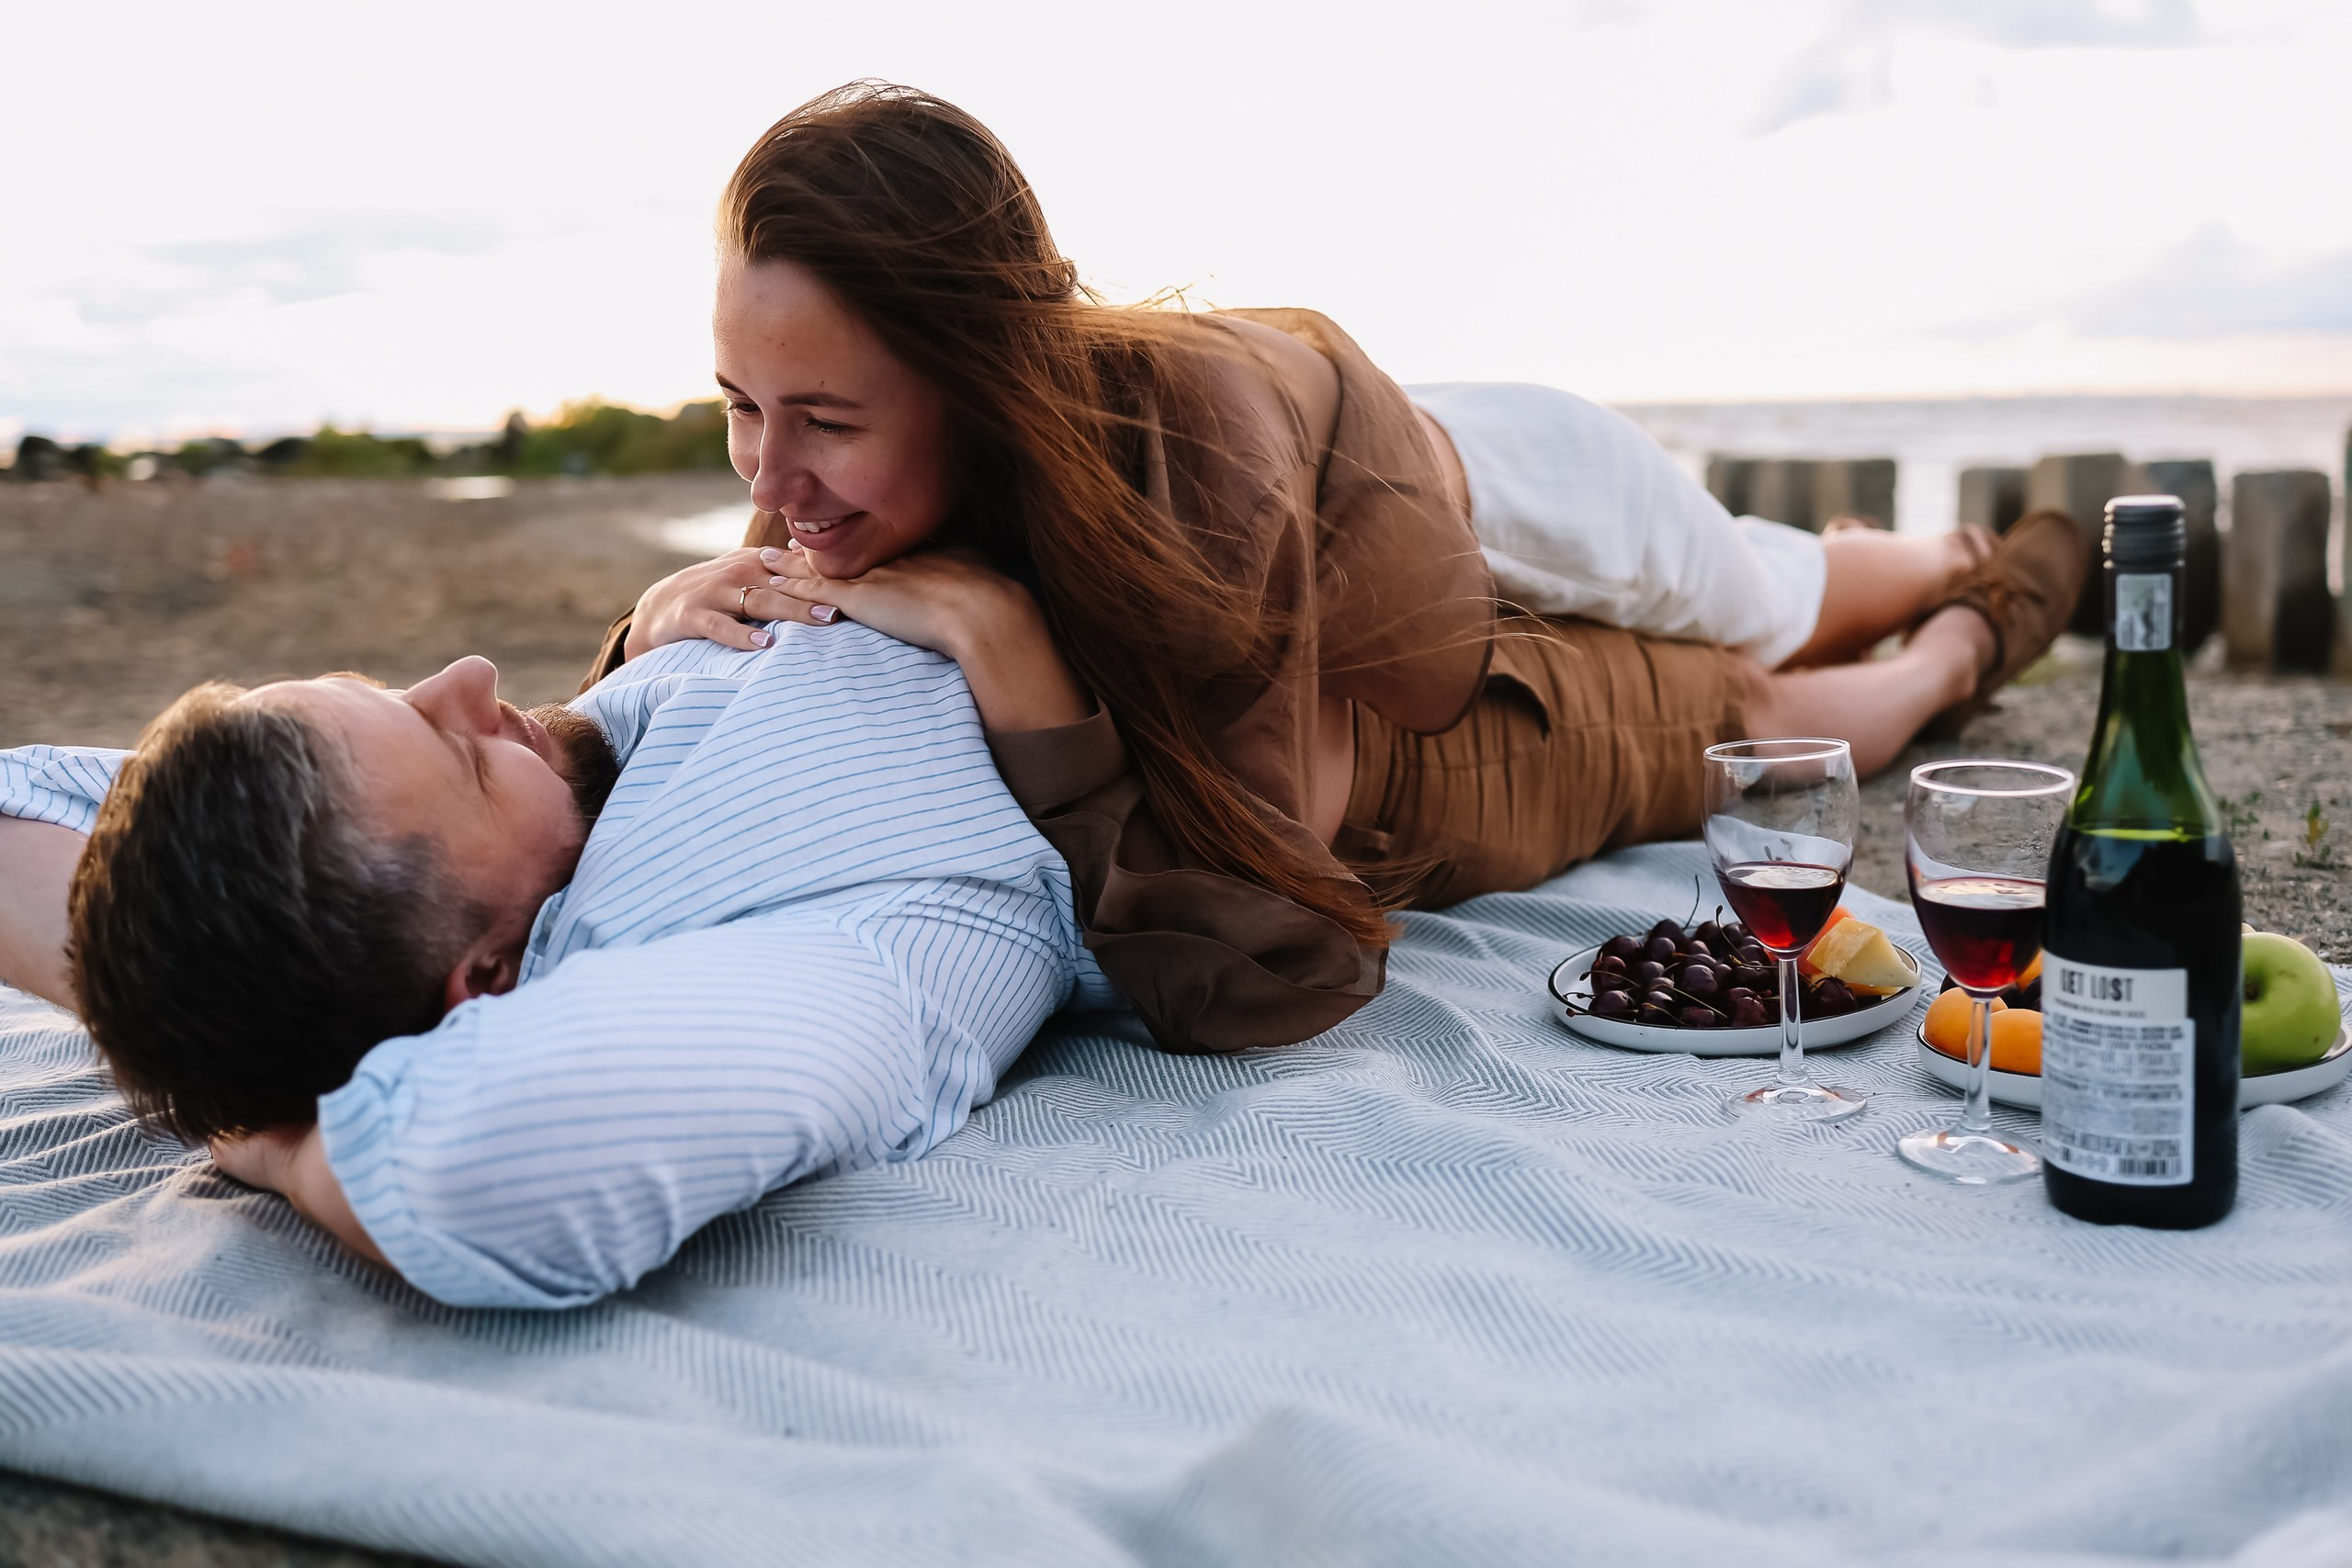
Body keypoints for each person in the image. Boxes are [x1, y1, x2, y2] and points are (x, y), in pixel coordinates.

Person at [587, 82, 2086, 1058]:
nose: (765, 481)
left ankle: (1963, 579)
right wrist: (647, 630)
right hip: (1372, 612)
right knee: (1748, 692)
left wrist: (1029, 681)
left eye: (826, 421)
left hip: (1524, 495)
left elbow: (1277, 940)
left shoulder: (1186, 459)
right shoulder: (850, 486)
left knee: (1772, 609)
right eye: (738, 405)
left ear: (981, 386)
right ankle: (1932, 607)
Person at [0, 617, 1115, 1310]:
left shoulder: (504, 809)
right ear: (490, 981)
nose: (473, 674)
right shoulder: (819, 939)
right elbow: (468, 1158)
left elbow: (18, 797)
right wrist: (274, 1142)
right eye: (466, 754)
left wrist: (202, 1019)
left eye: (397, 693)